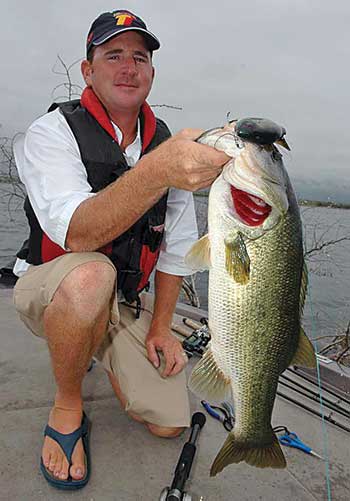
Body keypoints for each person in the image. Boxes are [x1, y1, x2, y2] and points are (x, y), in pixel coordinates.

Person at [12, 9, 231, 491]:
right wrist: (159, 172)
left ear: (152, 74)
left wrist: (160, 329)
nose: (128, 67)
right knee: (89, 276)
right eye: (113, 55)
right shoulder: (51, 134)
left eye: (140, 57)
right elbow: (77, 233)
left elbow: (173, 250)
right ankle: (68, 404)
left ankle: (102, 346)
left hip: (124, 299)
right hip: (56, 287)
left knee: (169, 423)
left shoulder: (165, 144)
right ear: (88, 71)